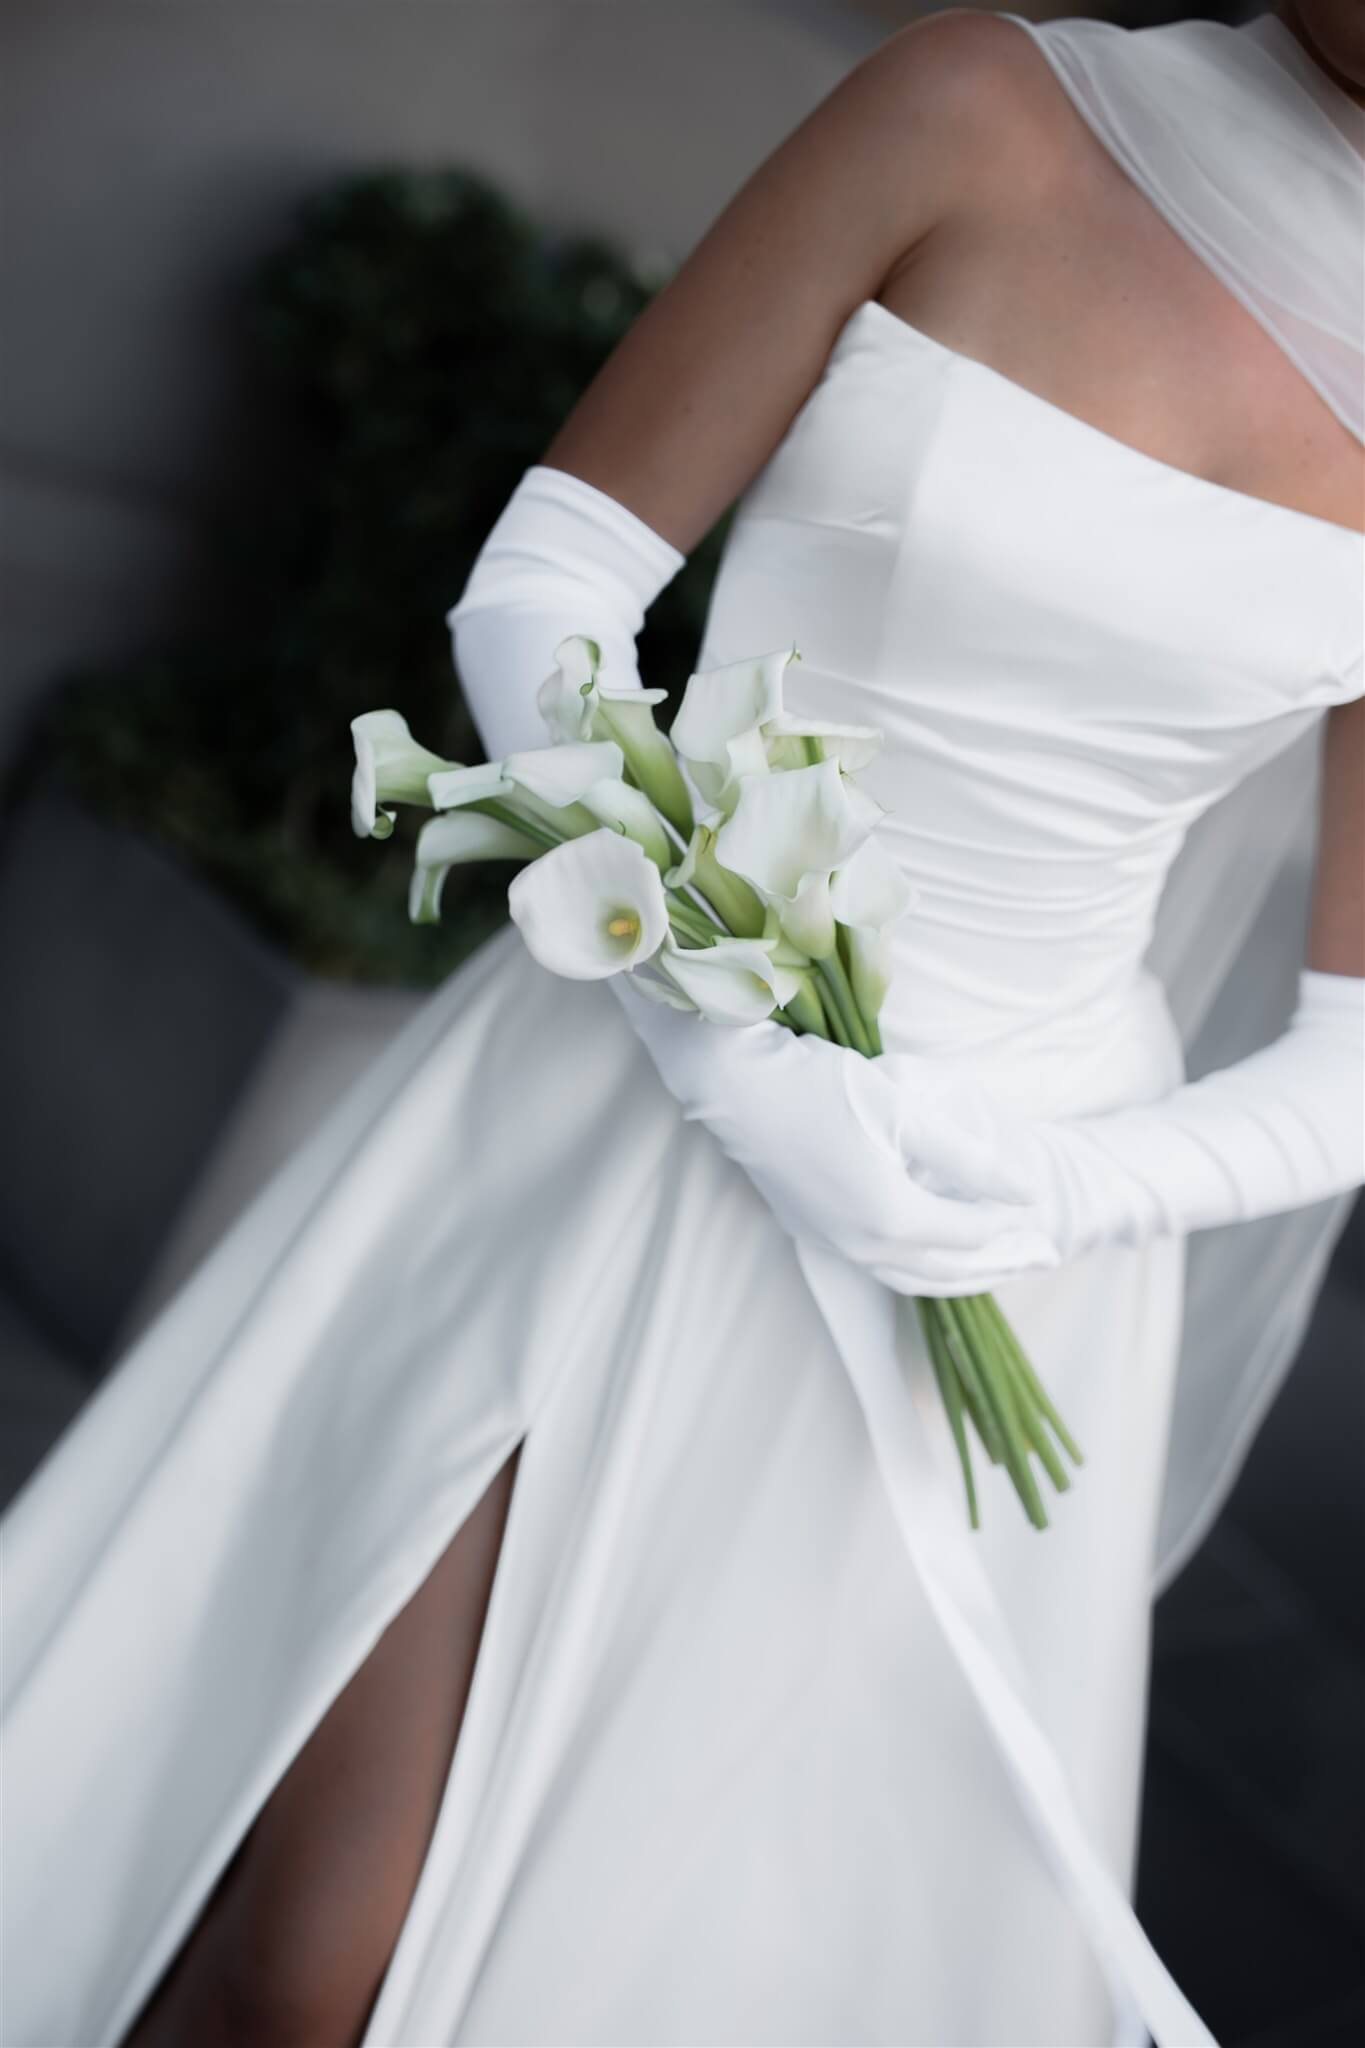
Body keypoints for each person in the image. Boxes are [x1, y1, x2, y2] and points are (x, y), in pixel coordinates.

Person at [3, 5, 1361, 2045]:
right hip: (635, 1098)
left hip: (995, 1244)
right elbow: (545, 588)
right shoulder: (980, 103)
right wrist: (737, 1030)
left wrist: (1045, 1186)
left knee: (660, 1964)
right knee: (307, 1971)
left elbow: (1350, 1049)